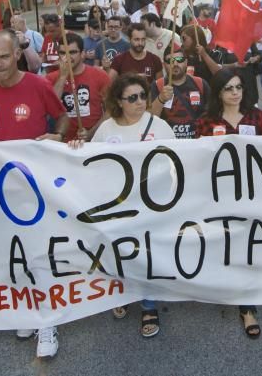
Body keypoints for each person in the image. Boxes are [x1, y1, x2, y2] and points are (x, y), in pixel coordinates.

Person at [0, 30, 67, 356]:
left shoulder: (38, 85)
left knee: (38, 253)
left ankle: (49, 322)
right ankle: (28, 310)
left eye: (3, 57)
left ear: (17, 55)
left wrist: (55, 135)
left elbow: (63, 118)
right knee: (12, 253)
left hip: (35, 186)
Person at [86, 73, 176, 338]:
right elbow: (91, 162)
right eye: (132, 98)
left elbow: (178, 162)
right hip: (118, 204)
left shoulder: (159, 125)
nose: (140, 102)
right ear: (119, 101)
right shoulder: (107, 129)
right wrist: (77, 147)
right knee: (120, 251)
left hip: (152, 204)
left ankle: (149, 304)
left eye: (143, 96)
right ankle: (122, 293)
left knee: (147, 252)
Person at [195, 68, 262, 338]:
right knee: (223, 243)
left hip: (250, 190)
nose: (235, 93)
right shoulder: (206, 121)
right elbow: (198, 160)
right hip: (218, 193)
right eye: (229, 88)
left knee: (246, 245)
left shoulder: (256, 116)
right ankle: (223, 287)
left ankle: (247, 307)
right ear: (219, 92)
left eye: (238, 87)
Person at [46, 32, 110, 142]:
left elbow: (110, 111)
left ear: (82, 54)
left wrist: (91, 133)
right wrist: (62, 77)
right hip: (62, 141)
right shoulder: (50, 78)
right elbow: (49, 108)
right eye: (63, 53)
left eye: (72, 52)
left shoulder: (100, 76)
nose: (67, 57)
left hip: (93, 140)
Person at [150, 46, 210, 139]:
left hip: (196, 143)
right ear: (164, 64)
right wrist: (160, 99)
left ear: (186, 62)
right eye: (170, 60)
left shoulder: (201, 84)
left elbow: (211, 115)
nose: (175, 63)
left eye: (179, 59)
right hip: (168, 143)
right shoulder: (157, 86)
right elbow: (150, 120)